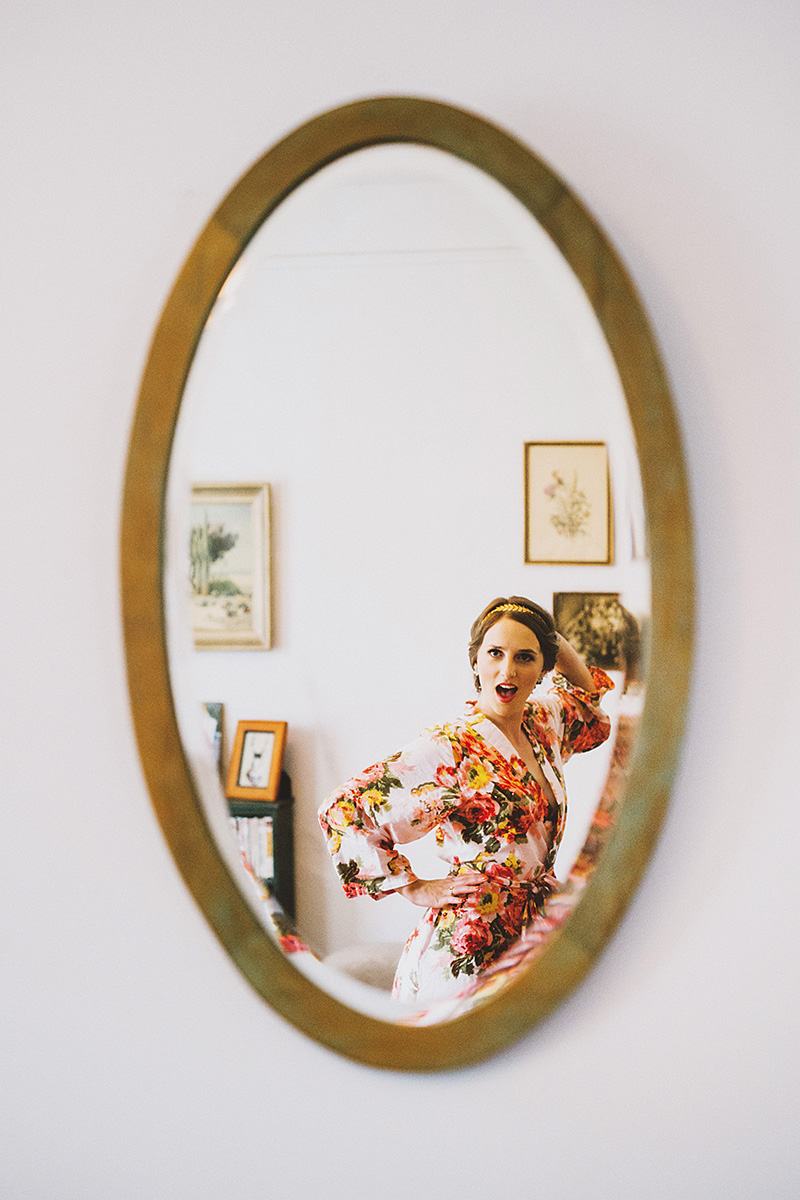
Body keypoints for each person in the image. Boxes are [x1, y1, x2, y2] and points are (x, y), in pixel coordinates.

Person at [318, 596, 613, 1008]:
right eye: (495, 653)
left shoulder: (542, 723)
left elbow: (586, 702)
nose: (507, 670)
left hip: (537, 932)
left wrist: (547, 632)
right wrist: (416, 887)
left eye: (525, 657)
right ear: (476, 661)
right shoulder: (450, 746)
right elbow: (343, 809)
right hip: (470, 944)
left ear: (543, 669)